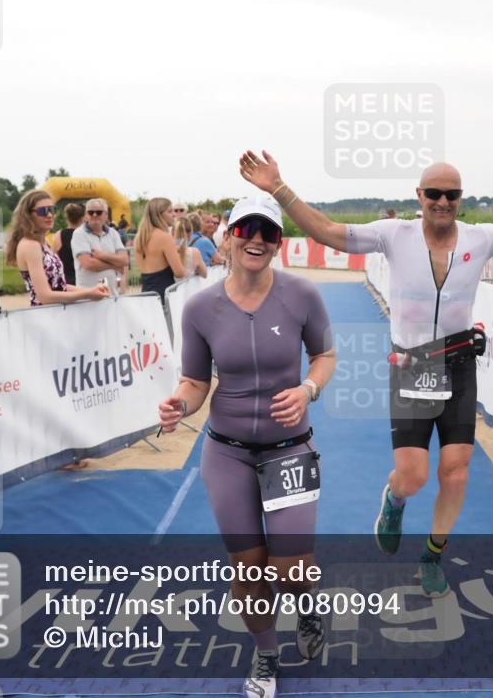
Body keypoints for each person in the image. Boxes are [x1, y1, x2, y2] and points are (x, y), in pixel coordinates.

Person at [239, 149, 493, 597]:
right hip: (411, 367)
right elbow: (326, 231)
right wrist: (277, 187)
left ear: (461, 198)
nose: (443, 202)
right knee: (413, 476)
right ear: (419, 195)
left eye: (451, 195)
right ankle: (394, 499)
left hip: (458, 366)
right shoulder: (394, 235)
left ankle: (433, 555)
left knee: (456, 471)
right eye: (434, 193)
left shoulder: (482, 238)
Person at [157, 195, 336, 698]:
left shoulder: (302, 294)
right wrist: (179, 404)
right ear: (229, 236)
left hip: (289, 449)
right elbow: (195, 382)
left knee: (292, 570)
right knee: (249, 568)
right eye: (245, 230)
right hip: (227, 453)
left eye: (268, 232)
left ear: (278, 243)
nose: (256, 239)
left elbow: (325, 354)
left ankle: (307, 602)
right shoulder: (200, 307)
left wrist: (308, 389)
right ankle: (266, 654)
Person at [5, 190, 110, 307]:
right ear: (28, 216)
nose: (49, 215)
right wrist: (87, 294)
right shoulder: (30, 245)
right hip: (45, 314)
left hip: (55, 312)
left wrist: (91, 290)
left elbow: (60, 286)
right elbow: (45, 296)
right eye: (42, 211)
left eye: (51, 209)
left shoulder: (43, 242)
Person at [71, 199, 129, 292]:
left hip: (111, 294)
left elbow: (124, 260)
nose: (94, 215)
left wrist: (102, 255)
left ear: (106, 215)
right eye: (90, 212)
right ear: (86, 215)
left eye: (99, 212)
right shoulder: (79, 234)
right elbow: (88, 263)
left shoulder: (113, 233)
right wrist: (114, 265)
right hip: (87, 296)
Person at [135, 197, 186, 301]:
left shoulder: (139, 237)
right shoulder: (164, 237)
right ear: (159, 215)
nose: (174, 215)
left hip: (146, 294)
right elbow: (180, 272)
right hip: (164, 295)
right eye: (170, 211)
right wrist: (177, 253)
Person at [54, 202, 86, 286]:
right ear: (83, 218)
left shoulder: (59, 235)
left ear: (66, 217)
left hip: (66, 281)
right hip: (83, 280)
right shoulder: (85, 235)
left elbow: (55, 259)